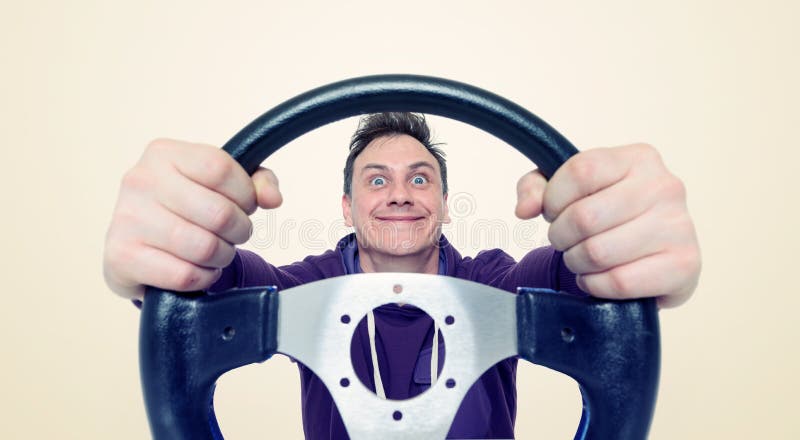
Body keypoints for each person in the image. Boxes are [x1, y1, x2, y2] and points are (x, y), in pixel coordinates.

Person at [103, 112, 701, 439]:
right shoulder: (306, 288)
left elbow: (570, 275)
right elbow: (223, 281)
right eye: (376, 180)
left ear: (444, 204)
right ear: (347, 207)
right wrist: (181, 242)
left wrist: (614, 244)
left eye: (419, 178)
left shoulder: (492, 282)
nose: (399, 194)